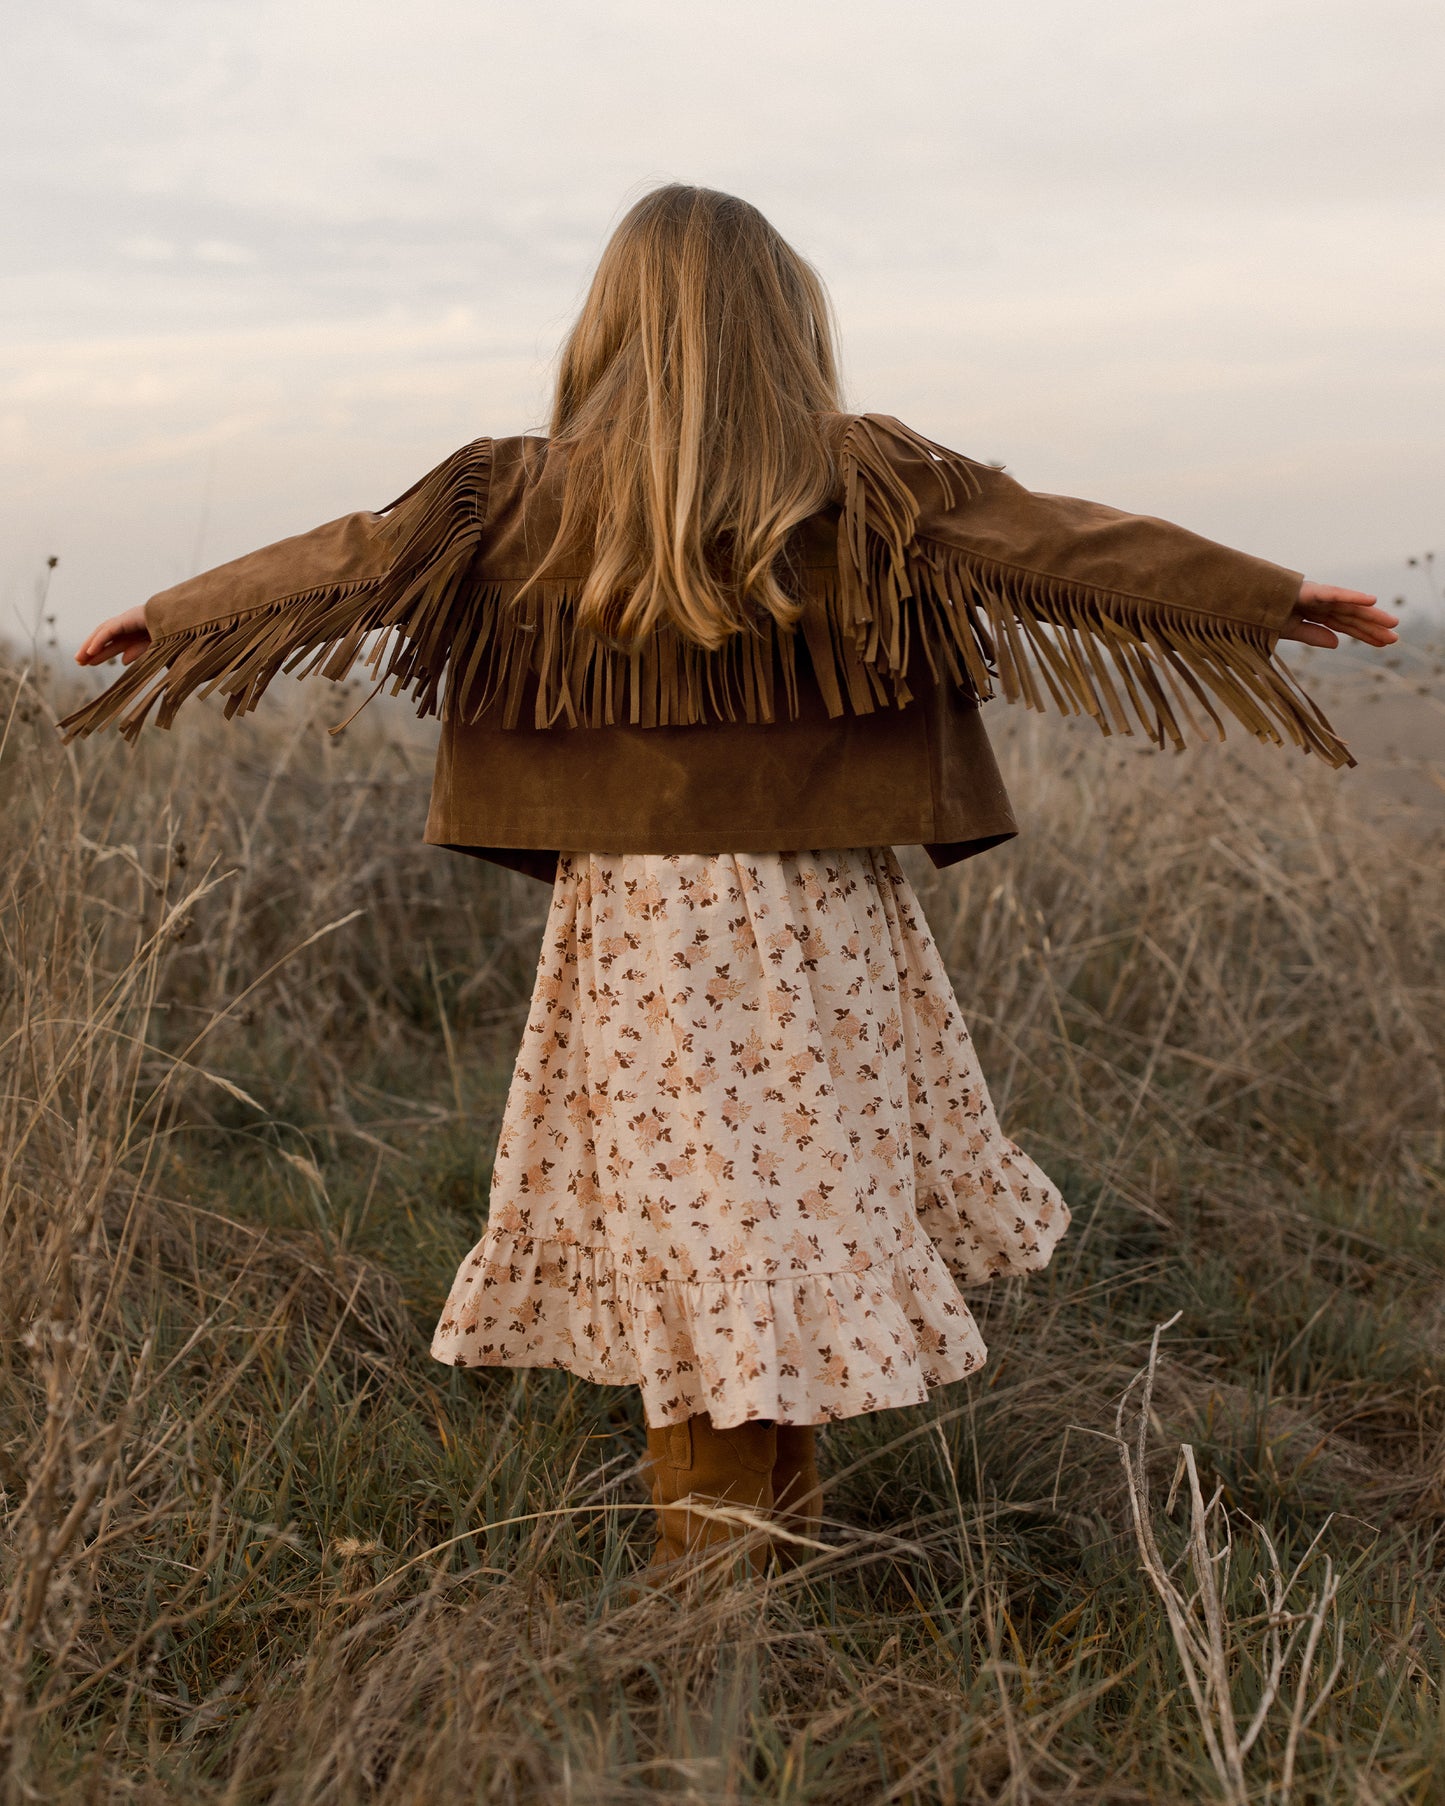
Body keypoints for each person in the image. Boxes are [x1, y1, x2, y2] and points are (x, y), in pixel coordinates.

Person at [69, 184, 1398, 1587]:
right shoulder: (865, 479)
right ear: (785, 318)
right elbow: (1058, 541)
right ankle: (746, 1581)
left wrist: (177, 615)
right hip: (822, 918)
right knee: (775, 1224)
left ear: (610, 323)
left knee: (709, 1238)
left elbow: (350, 558)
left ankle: (710, 1609)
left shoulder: (515, 492)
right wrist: (1261, 596)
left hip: (647, 929)